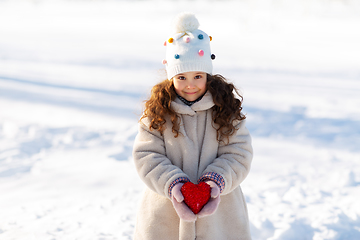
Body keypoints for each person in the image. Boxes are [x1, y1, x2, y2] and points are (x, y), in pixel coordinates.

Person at [132, 12, 253, 240]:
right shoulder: (158, 113)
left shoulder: (225, 110)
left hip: (220, 218)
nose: (190, 85)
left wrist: (215, 182)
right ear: (171, 77)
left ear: (208, 74)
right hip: (164, 215)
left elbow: (239, 153)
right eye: (182, 78)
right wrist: (173, 184)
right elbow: (146, 155)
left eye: (198, 76)